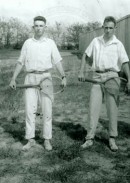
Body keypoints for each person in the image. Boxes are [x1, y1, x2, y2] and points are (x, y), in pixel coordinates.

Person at [10, 16, 66, 151]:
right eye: (36, 25)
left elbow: (57, 61)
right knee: (30, 110)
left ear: (45, 27)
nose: (39, 28)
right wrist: (13, 78)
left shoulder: (50, 43)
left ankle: (47, 140)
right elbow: (20, 62)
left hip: (46, 78)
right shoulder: (27, 43)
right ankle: (31, 140)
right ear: (33, 27)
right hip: (30, 78)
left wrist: (63, 76)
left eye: (41, 25)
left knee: (47, 110)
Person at [78, 16, 130, 151]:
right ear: (103, 27)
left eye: (111, 28)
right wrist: (81, 72)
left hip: (112, 76)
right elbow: (85, 55)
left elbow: (124, 63)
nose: (108, 30)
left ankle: (112, 139)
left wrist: (129, 79)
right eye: (106, 27)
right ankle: (89, 138)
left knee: (112, 109)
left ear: (115, 28)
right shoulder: (96, 41)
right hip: (97, 76)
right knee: (93, 107)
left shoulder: (118, 44)